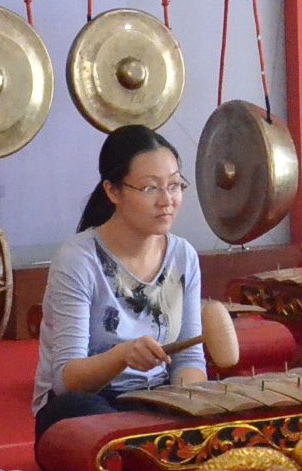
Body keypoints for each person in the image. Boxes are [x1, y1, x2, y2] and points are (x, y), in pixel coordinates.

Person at [31, 125, 208, 439]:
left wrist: (186, 407)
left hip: (155, 400)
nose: (167, 200)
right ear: (113, 191)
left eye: (175, 185)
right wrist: (122, 355)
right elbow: (65, 380)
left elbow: (189, 360)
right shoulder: (78, 259)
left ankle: (150, 450)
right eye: (150, 188)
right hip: (91, 404)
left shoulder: (184, 256)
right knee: (80, 413)